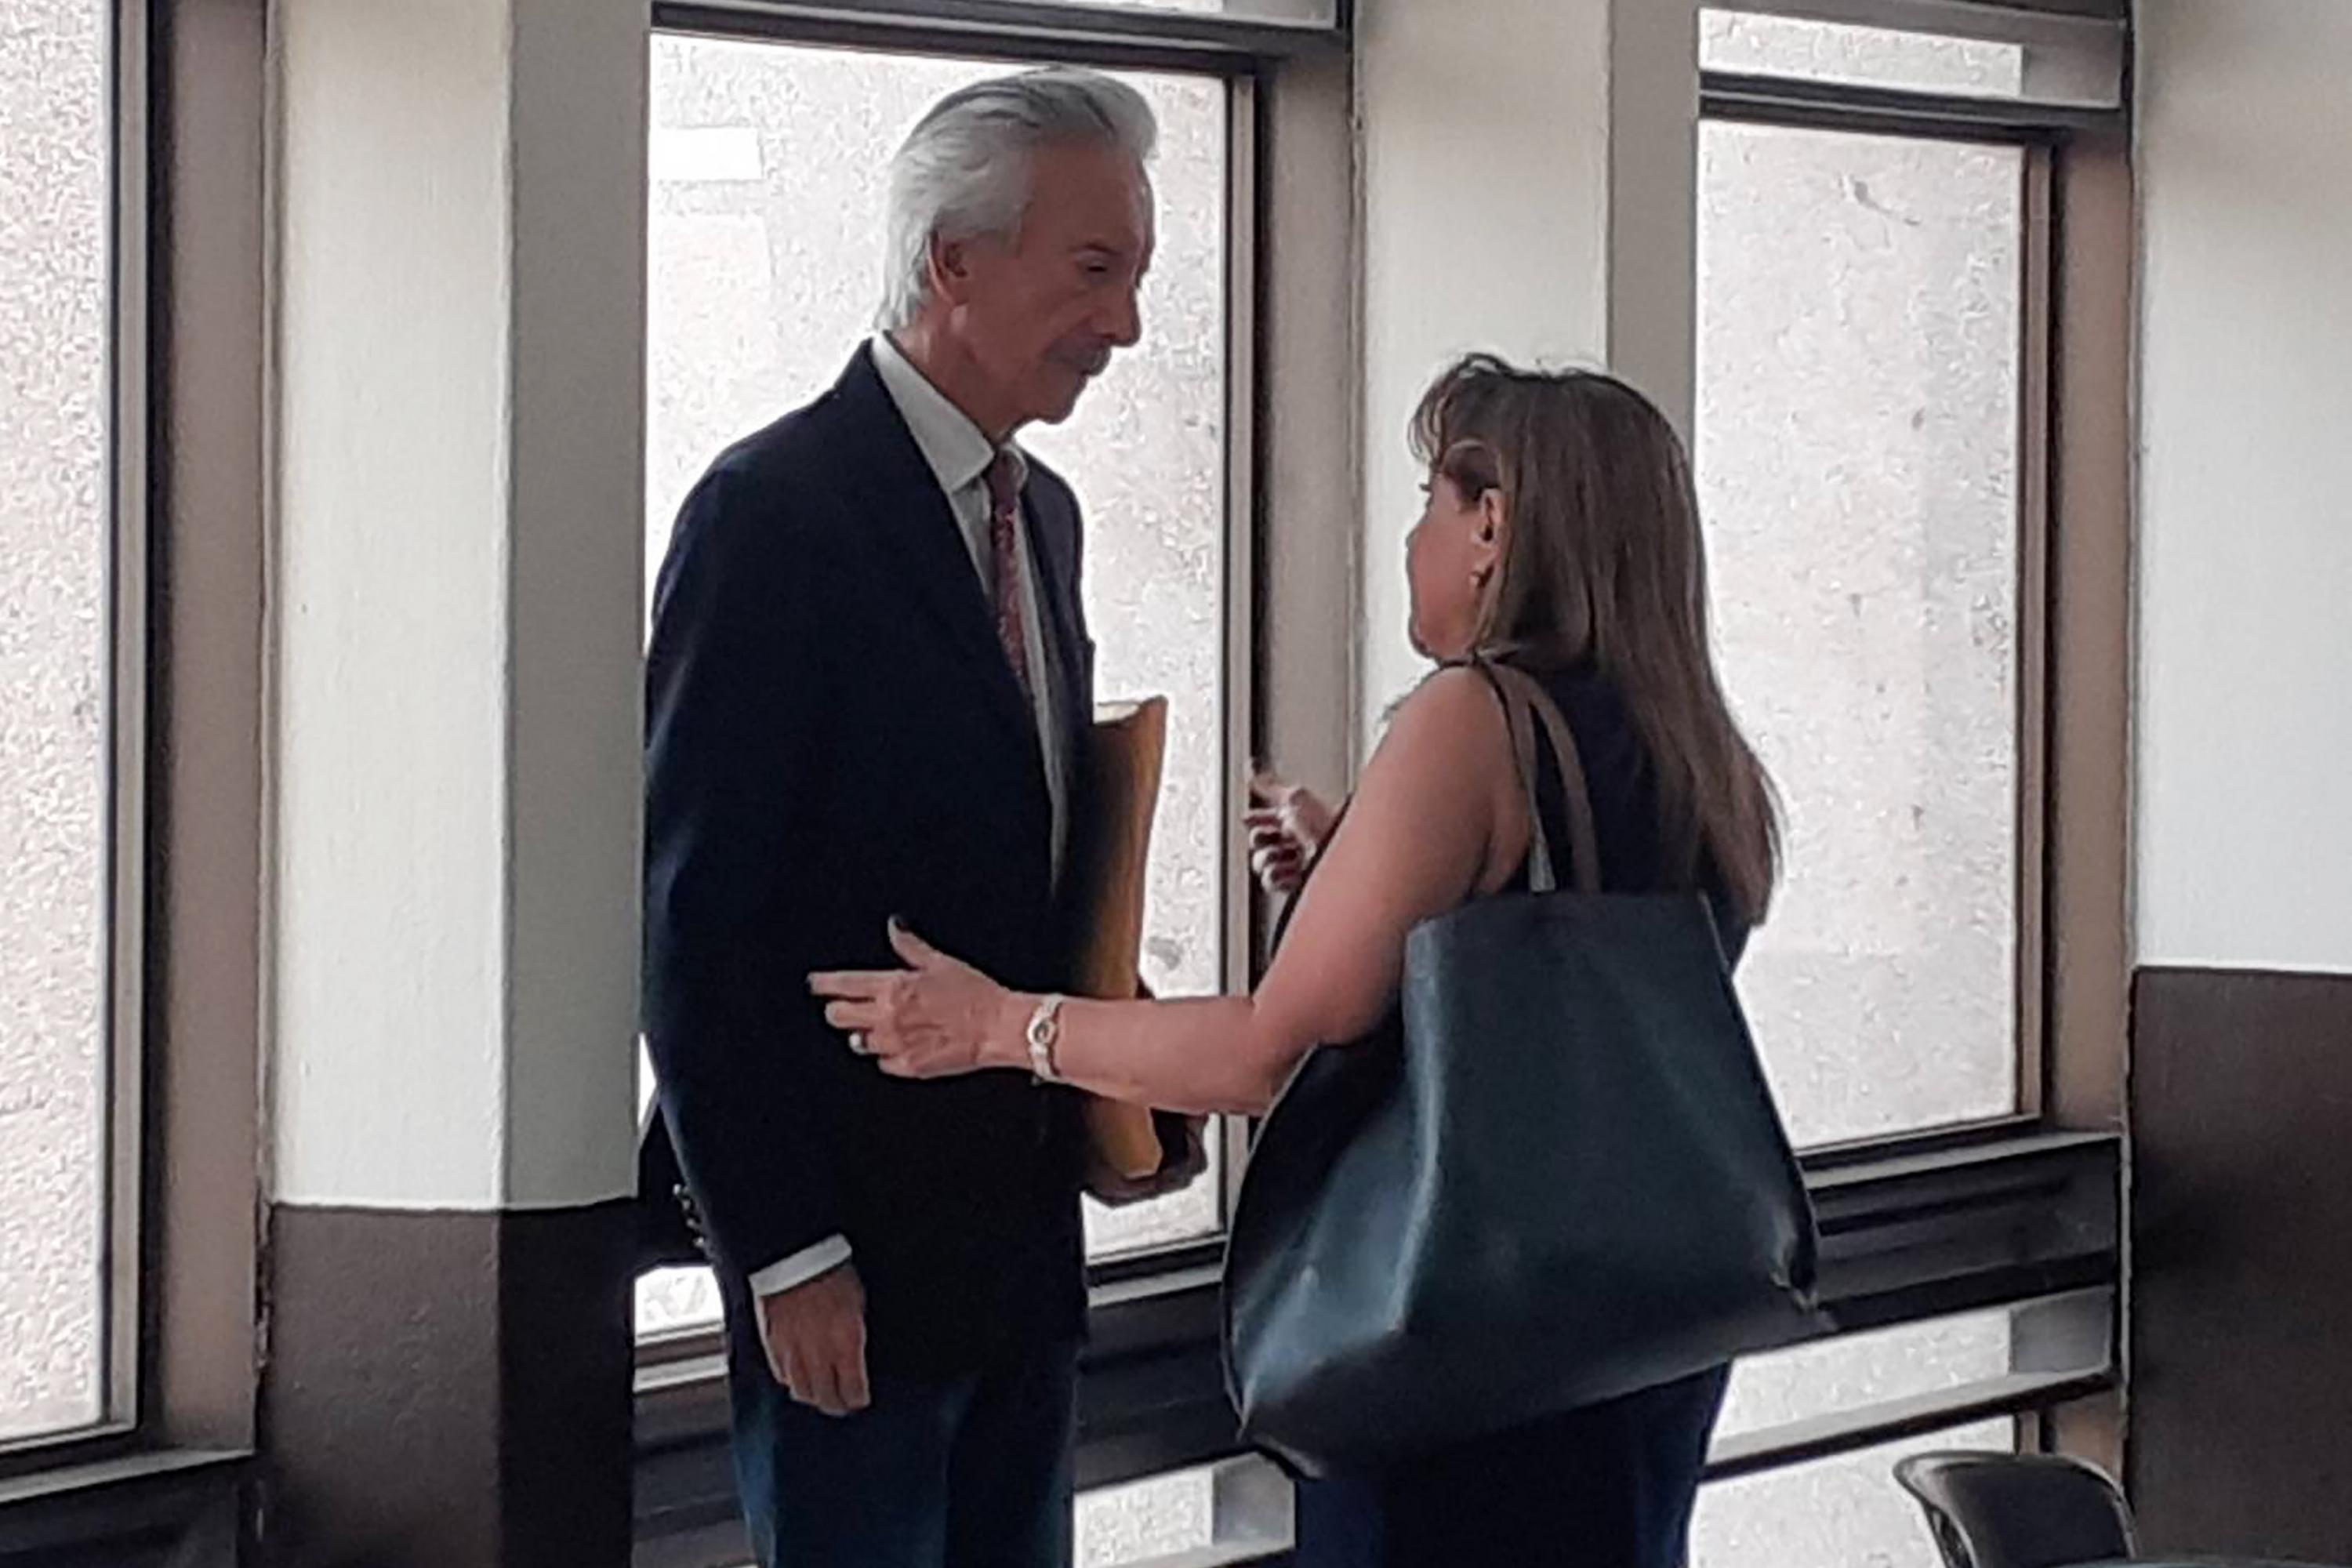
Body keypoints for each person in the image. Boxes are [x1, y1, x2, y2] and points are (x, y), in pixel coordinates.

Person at [813, 354, 1783, 1568]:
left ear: (1492, 524)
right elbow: (1576, 978)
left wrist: (1003, 1026)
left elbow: (1273, 1049)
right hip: (1645, 1338)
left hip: (1467, 1339)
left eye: (1432, 500)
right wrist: (1354, 870)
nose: (1415, 537)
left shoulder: (1470, 721)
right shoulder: (1697, 750)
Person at [642, 67, 1200, 1568]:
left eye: (1137, 276)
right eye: (1097, 271)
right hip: (853, 1268)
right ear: (954, 262)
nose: (1128, 326)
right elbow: (697, 924)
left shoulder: (1050, 520)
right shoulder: (770, 515)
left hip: (1022, 1257)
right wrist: (785, 1249)